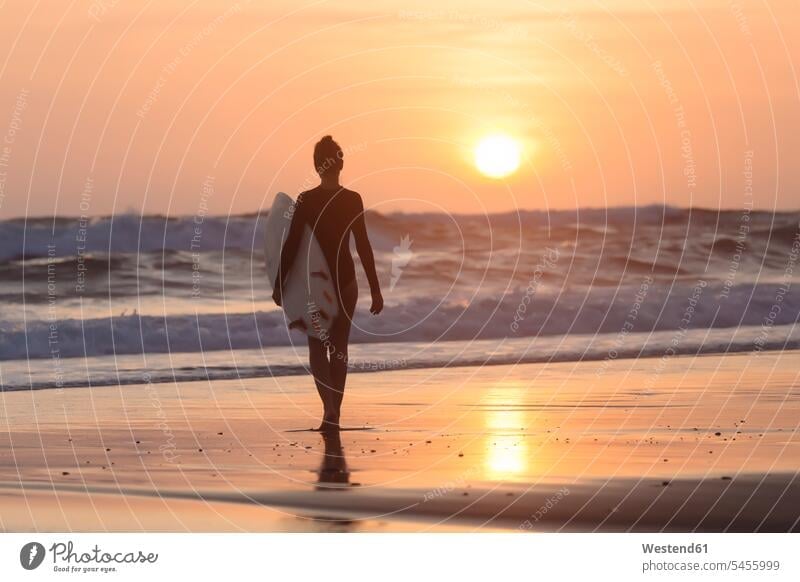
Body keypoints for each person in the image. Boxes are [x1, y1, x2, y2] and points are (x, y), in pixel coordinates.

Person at [272, 135, 383, 431]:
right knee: (340, 348)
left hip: (316, 286)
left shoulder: (306, 200)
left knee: (317, 347)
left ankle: (329, 410)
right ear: (341, 162)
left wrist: (279, 283)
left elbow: (292, 245)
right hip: (346, 281)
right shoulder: (352, 199)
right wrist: (375, 287)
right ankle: (335, 411)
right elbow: (363, 246)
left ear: (316, 166)